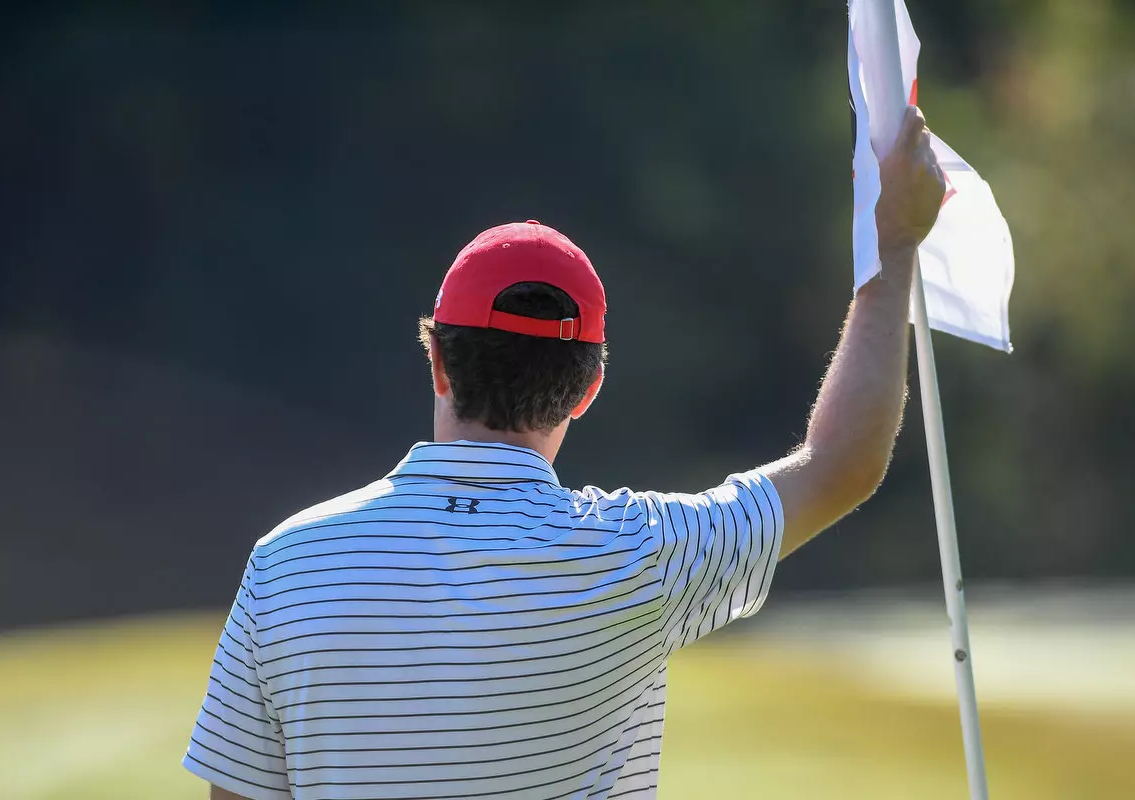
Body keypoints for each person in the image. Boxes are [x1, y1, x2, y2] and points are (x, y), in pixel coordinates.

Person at [183, 106, 946, 800]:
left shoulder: (288, 564)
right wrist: (894, 250)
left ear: (439, 363)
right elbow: (843, 463)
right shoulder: (641, 554)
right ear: (587, 390)